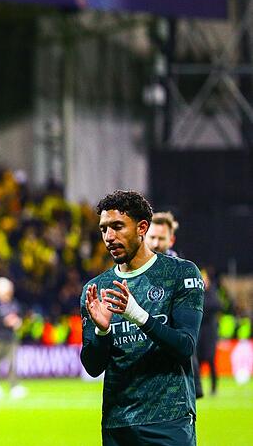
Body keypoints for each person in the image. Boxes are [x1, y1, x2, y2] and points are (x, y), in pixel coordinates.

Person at [80, 190, 204, 446]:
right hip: (118, 424)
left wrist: (138, 315)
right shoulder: (97, 288)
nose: (109, 237)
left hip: (169, 421)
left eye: (117, 227)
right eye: (104, 229)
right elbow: (93, 367)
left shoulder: (179, 274)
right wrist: (103, 332)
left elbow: (185, 346)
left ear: (142, 227)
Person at [144, 211, 204, 398]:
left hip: (175, 351)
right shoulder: (134, 269)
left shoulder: (184, 272)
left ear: (171, 240)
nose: (156, 243)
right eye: (152, 237)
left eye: (161, 238)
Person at [0, 276, 26, 399]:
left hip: (12, 337)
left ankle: (14, 386)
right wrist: (4, 322)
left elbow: (19, 315)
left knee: (12, 363)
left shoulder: (14, 303)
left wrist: (18, 321)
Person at [197, 268, 221, 396]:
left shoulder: (212, 292)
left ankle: (213, 388)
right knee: (199, 361)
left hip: (210, 333)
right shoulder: (198, 292)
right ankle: (198, 387)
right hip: (200, 332)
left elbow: (217, 306)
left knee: (211, 361)